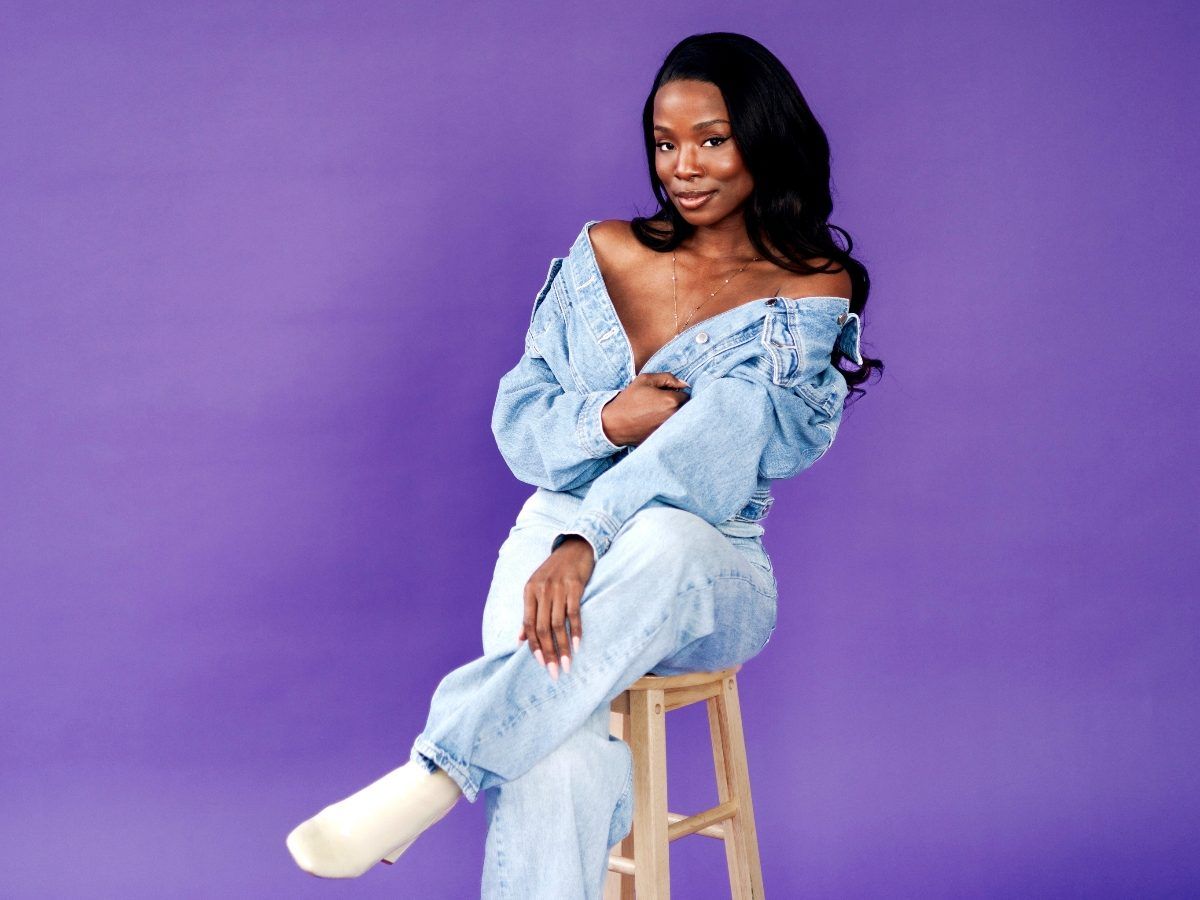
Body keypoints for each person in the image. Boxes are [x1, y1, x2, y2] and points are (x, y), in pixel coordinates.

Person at [285, 30, 882, 897]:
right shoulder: (603, 252)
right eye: (665, 143)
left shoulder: (808, 289)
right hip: (548, 544)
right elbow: (521, 423)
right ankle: (464, 763)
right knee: (553, 749)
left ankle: (437, 773)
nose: (684, 167)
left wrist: (587, 537)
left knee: (669, 538)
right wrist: (609, 419)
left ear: (763, 139)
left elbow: (726, 442)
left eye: (712, 139)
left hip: (705, 568)